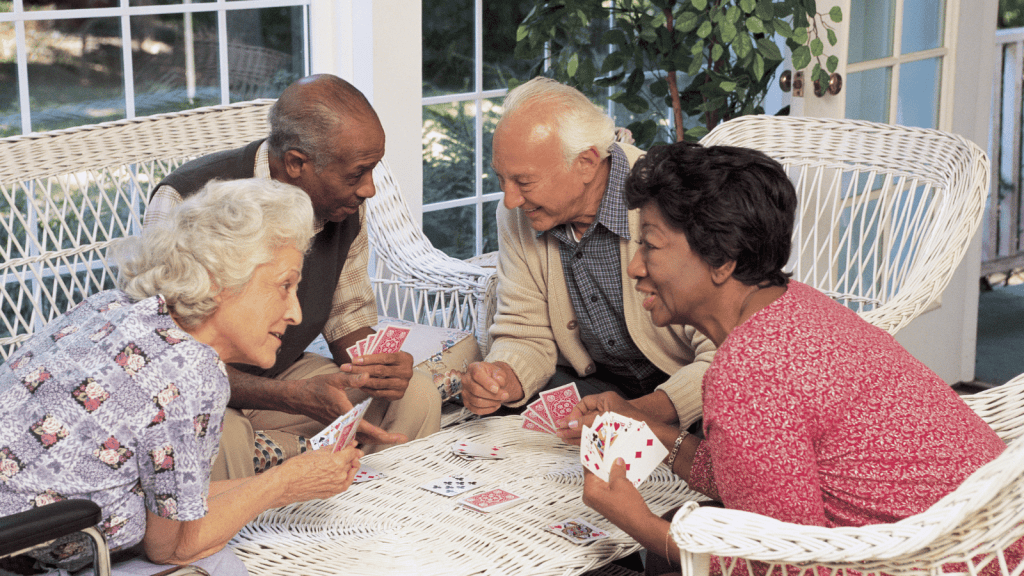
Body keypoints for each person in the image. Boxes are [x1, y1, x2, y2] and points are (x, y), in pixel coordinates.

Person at [574, 141, 1019, 576]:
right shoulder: (797, 304)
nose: (634, 267)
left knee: (661, 547)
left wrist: (637, 522)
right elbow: (763, 472)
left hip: (944, 562)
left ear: (722, 259)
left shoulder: (747, 373)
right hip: (996, 537)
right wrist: (653, 433)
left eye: (650, 245)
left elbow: (780, 567)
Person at [0, 179, 364, 573]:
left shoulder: (110, 306)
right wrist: (284, 485)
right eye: (284, 285)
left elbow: (176, 504)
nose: (294, 313)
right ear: (218, 280)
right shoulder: (192, 372)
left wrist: (291, 476)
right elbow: (173, 547)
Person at [144, 73, 441, 480]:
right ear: (296, 163)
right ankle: (233, 542)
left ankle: (380, 526)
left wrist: (379, 369)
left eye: (372, 170)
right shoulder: (184, 201)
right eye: (357, 174)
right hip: (198, 390)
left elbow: (348, 316)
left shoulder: (343, 205)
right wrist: (292, 398)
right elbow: (164, 359)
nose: (369, 189)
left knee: (415, 394)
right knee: (219, 434)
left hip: (282, 378)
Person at [460, 77, 715, 435]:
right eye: (502, 179)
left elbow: (723, 352)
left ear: (586, 162)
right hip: (594, 387)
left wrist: (638, 413)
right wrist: (502, 378)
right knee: (505, 420)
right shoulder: (518, 214)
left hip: (683, 389)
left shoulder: (673, 201)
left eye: (524, 182)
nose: (510, 200)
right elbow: (524, 332)